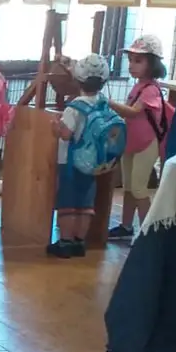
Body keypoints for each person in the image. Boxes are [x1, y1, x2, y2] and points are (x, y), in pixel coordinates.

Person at [49, 54, 111, 259]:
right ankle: (79, 242)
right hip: (93, 162)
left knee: (67, 203)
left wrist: (56, 127)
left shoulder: (74, 107)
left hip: (70, 163)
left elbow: (66, 135)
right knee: (85, 204)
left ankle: (65, 243)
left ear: (77, 80)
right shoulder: (103, 103)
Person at [108, 34, 170, 240]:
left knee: (139, 188)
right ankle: (126, 227)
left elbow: (133, 112)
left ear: (152, 63)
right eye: (130, 60)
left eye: (138, 61)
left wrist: (110, 103)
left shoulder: (151, 89)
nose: (132, 65)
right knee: (128, 188)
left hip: (146, 144)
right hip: (131, 143)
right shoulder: (138, 86)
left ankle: (147, 234)